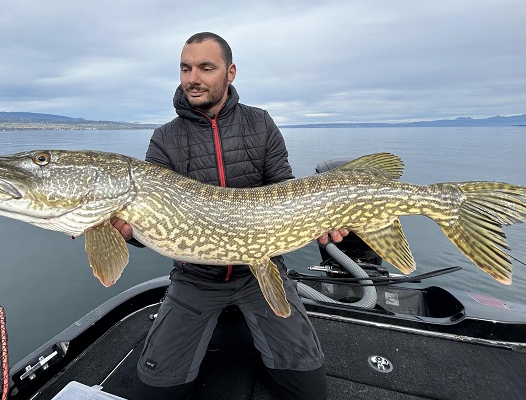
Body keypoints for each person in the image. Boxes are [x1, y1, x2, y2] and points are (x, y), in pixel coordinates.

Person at [111, 32, 348, 400]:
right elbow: (150, 228)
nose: (194, 78)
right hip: (196, 279)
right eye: (186, 68)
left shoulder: (260, 124)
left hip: (262, 273)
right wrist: (125, 233)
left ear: (230, 72)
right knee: (154, 393)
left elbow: (284, 193)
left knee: (308, 392)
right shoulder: (164, 139)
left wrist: (323, 217)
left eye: (206, 67)